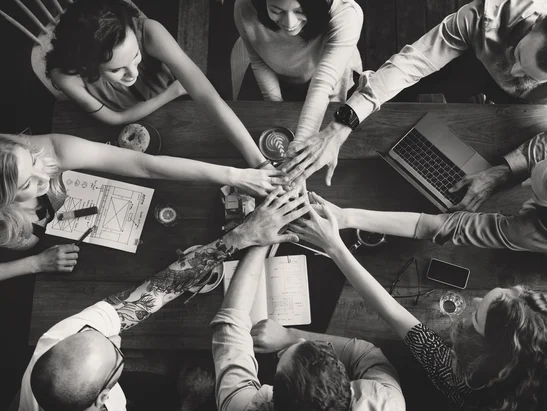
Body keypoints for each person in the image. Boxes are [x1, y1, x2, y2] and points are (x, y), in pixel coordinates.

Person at [287, 193, 547, 411]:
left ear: (482, 359)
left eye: (477, 315)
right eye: (494, 294)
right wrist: (341, 225)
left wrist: (335, 247)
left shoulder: (466, 383)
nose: (474, 299)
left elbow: (395, 315)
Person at [282, 0, 547, 211]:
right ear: (535, 24)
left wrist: (502, 172)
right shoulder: (484, 14)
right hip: (473, 63)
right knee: (412, 89)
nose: (515, 74)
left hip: (525, 113)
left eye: (532, 75)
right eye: (518, 56)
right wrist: (340, 125)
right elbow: (414, 62)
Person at [19, 188, 309, 411]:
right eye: (116, 354)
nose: (115, 336)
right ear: (105, 397)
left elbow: (152, 292)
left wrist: (241, 236)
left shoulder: (57, 341)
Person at [298, 145, 547, 300]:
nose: (522, 187)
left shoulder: (545, 231)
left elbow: (438, 227)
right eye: (535, 172)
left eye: (535, 192)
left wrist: (346, 216)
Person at [0, 132, 290, 280]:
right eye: (26, 184)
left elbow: (145, 165)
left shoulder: (45, 151)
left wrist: (235, 175)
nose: (44, 177)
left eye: (34, 160)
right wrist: (35, 264)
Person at [45, 0, 268, 171]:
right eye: (116, 69)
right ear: (86, 67)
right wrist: (172, 91)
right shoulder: (66, 77)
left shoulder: (149, 30)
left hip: (176, 113)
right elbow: (115, 119)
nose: (132, 73)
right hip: (137, 126)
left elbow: (209, 97)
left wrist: (258, 161)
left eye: (136, 55)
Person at [211, 247, 406, 410]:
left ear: (272, 398)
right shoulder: (386, 403)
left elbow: (229, 327)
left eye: (281, 357)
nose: (300, 341)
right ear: (346, 381)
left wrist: (260, 241)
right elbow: (368, 356)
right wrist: (288, 337)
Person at [234, 0, 363, 140]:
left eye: (300, 11)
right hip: (275, 78)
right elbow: (258, 60)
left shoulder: (347, 12)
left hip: (333, 83)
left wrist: (301, 143)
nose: (290, 24)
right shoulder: (244, 6)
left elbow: (322, 84)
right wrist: (275, 105)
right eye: (276, 11)